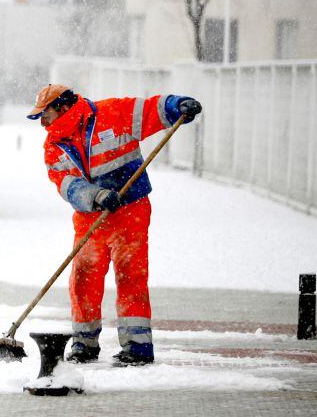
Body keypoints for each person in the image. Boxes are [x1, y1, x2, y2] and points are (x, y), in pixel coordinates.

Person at [27, 84, 202, 366]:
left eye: (43, 114)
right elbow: (66, 185)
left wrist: (176, 105)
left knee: (131, 274)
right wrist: (96, 196)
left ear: (61, 107)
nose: (41, 122)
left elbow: (150, 110)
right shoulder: (53, 147)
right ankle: (83, 343)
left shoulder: (111, 113)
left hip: (130, 210)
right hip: (89, 217)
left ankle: (138, 346)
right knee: (84, 278)